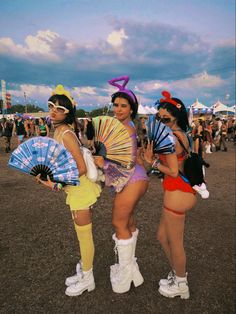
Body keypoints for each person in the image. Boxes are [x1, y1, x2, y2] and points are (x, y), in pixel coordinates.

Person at [35, 84, 101, 297]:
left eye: (59, 108)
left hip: (80, 190)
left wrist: (57, 184)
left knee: (84, 236)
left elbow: (81, 168)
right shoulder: (60, 131)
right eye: (51, 106)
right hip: (74, 190)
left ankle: (88, 277)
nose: (53, 110)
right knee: (81, 234)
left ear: (68, 112)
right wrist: (49, 178)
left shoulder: (66, 134)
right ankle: (84, 270)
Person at [94, 76, 149, 294]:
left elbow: (125, 162)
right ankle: (132, 270)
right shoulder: (125, 126)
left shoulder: (126, 129)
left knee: (118, 222)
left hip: (132, 179)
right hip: (136, 178)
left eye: (123, 106)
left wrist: (103, 163)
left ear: (132, 108)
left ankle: (125, 276)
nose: (118, 109)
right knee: (128, 221)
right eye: (115, 105)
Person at [144, 90, 197, 299]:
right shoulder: (181, 134)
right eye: (159, 116)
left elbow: (174, 171)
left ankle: (181, 284)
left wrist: (153, 162)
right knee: (161, 237)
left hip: (177, 192)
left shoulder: (171, 137)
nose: (160, 119)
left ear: (175, 117)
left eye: (165, 117)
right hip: (180, 191)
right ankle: (177, 273)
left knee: (175, 243)